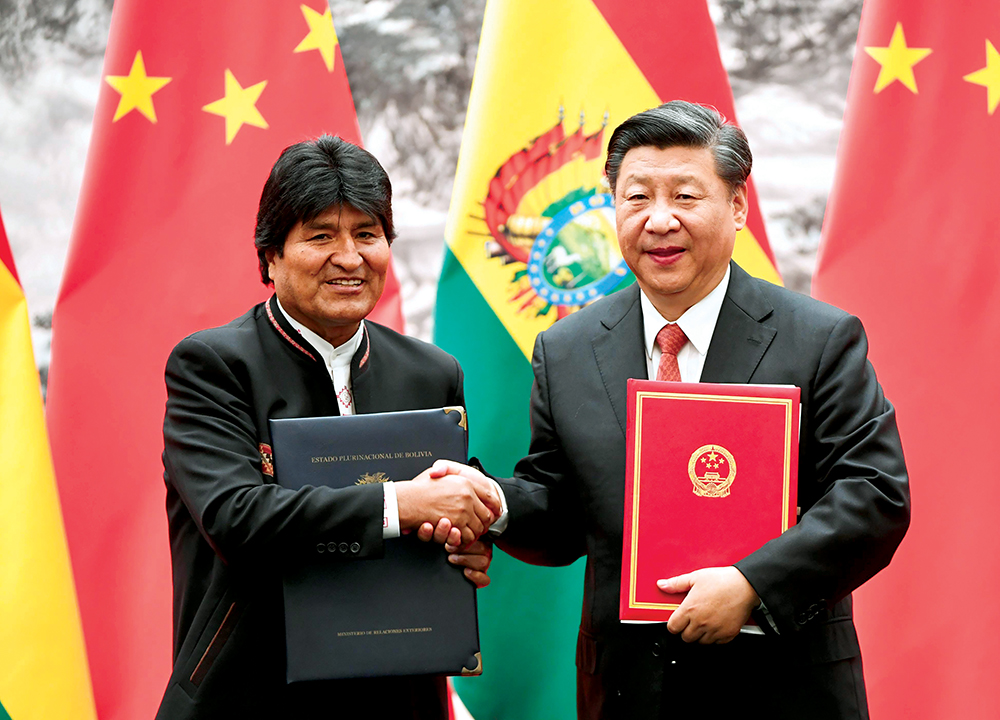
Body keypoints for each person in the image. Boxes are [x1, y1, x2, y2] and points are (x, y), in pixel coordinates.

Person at [445, 101, 910, 719]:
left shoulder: (819, 339)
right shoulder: (568, 349)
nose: (659, 220)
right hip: (628, 690)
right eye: (636, 198)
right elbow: (560, 506)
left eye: (686, 197)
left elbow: (874, 495)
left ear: (738, 205)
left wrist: (751, 587)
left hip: (782, 688)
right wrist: (494, 504)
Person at [155, 135, 500, 720]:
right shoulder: (213, 366)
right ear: (270, 254)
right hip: (250, 692)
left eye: (367, 234)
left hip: (400, 692)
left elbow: (454, 497)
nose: (349, 257)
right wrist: (400, 504)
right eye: (321, 236)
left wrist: (469, 536)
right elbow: (236, 518)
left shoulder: (432, 372)